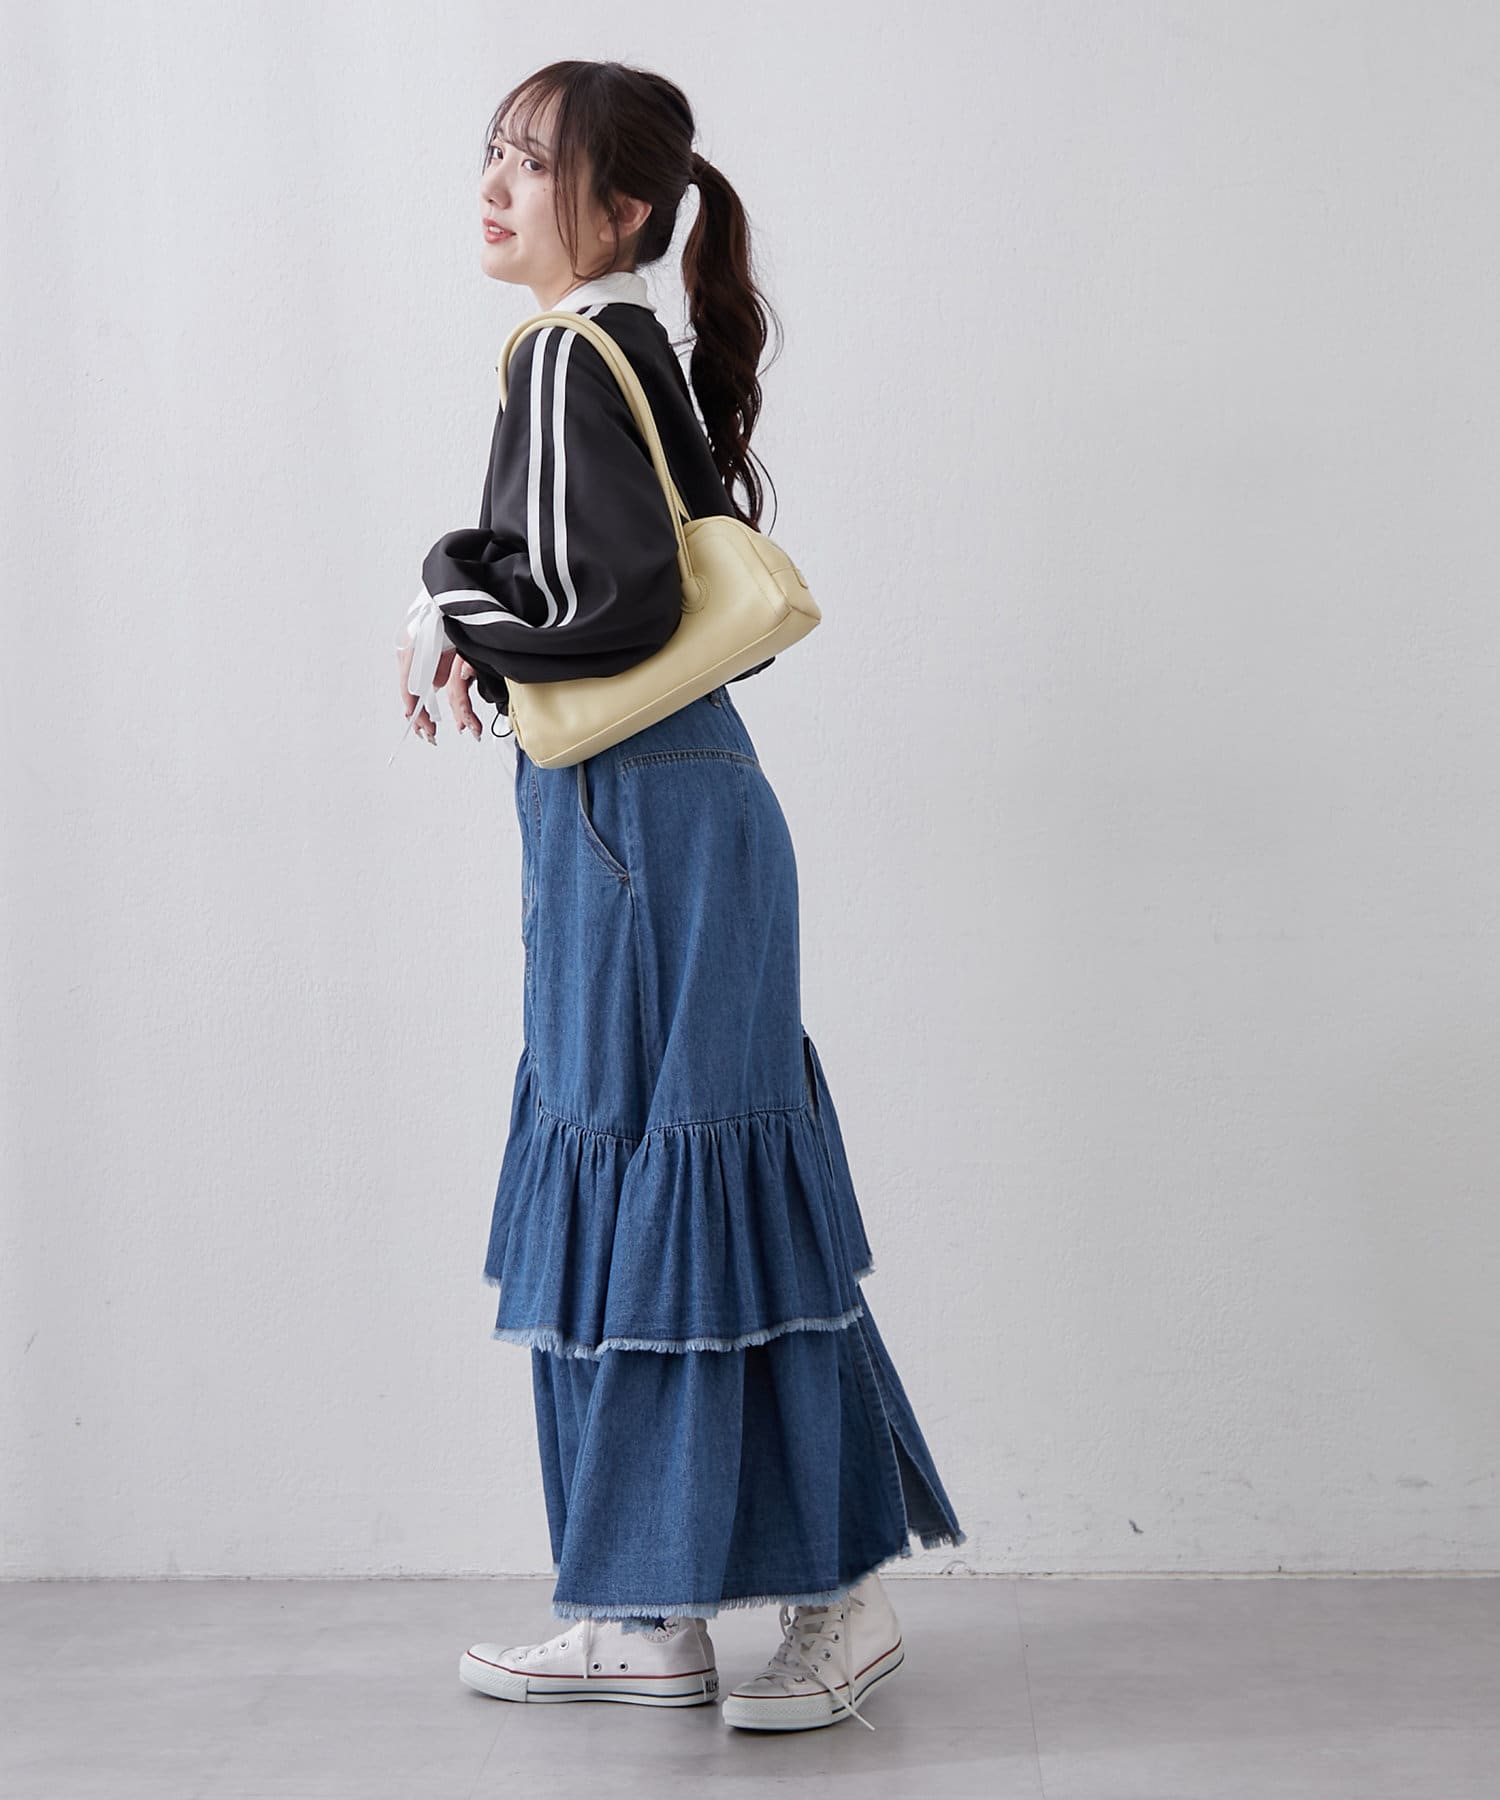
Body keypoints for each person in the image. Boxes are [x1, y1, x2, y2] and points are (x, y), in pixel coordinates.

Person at [394, 60, 965, 1734]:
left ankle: (815, 1597)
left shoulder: (570, 353)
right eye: (492, 155)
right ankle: (649, 1609)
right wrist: (461, 594)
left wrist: (456, 616)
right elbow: (631, 587)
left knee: (680, 1188)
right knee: (674, 1186)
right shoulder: (619, 346)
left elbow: (619, 610)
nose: (494, 186)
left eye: (532, 163)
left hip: (636, 823)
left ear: (622, 207)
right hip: (664, 810)